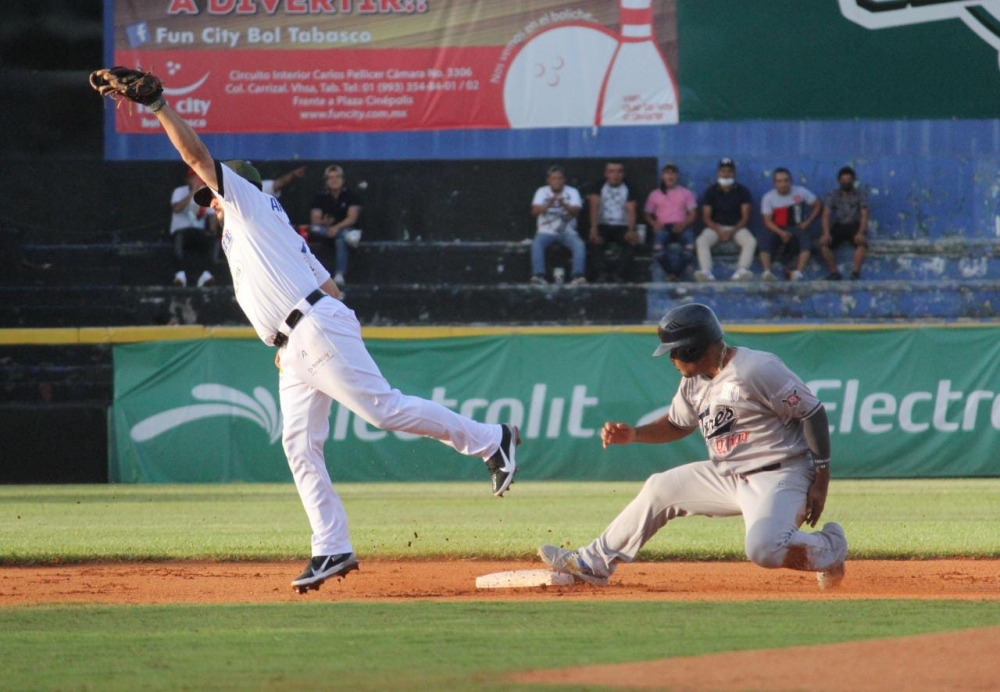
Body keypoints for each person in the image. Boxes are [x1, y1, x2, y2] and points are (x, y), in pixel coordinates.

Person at [91, 68, 520, 593]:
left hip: (311, 328)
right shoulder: (263, 229)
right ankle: (331, 546)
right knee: (298, 445)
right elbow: (332, 291)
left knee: (383, 409)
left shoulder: (247, 203)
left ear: (237, 187)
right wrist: (287, 338)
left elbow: (197, 159)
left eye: (213, 197)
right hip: (301, 337)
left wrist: (159, 106)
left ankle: (492, 440)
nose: (212, 206)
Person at [538, 303, 847, 590]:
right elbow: (677, 424)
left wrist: (821, 479)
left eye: (677, 352)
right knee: (660, 488)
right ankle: (591, 563)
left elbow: (811, 412)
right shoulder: (694, 380)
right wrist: (634, 434)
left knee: (763, 549)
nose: (672, 359)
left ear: (698, 347)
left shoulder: (756, 369)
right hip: (728, 475)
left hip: (781, 474)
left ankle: (829, 547)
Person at [696, 158, 756, 282]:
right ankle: (706, 272)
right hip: (715, 227)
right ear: (718, 173)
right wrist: (719, 230)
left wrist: (732, 232)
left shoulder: (742, 191)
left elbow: (745, 217)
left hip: (737, 227)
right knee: (701, 241)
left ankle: (742, 270)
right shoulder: (711, 192)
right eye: (723, 171)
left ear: (734, 173)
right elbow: (706, 217)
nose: (726, 174)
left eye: (729, 171)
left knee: (750, 241)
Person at [759, 168, 823, 281]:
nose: (783, 184)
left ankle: (798, 273)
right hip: (777, 228)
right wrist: (781, 233)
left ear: (791, 181)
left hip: (796, 227)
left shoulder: (801, 191)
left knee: (806, 241)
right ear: (774, 183)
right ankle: (767, 272)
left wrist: (808, 222)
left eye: (786, 180)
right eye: (779, 181)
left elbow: (818, 204)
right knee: (764, 240)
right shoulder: (768, 197)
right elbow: (767, 222)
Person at [530, 165, 586, 285]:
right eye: (553, 178)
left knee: (579, 245)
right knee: (537, 244)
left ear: (564, 180)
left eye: (559, 178)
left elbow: (576, 212)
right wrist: (548, 203)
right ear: (548, 180)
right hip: (546, 231)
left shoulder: (572, 191)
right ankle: (539, 276)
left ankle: (577, 276)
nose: (557, 181)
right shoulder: (541, 191)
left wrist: (563, 203)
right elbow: (534, 212)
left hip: (567, 232)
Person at [309, 164, 363, 287]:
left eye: (337, 177)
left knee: (340, 238)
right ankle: (347, 236)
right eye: (330, 177)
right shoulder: (320, 197)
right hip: (325, 231)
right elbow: (315, 219)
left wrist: (336, 228)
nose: (334, 180)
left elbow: (352, 218)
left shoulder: (352, 196)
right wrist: (325, 224)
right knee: (315, 229)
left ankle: (339, 274)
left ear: (343, 179)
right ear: (326, 181)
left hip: (343, 229)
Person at [644, 163, 698, 281]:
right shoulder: (655, 194)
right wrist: (654, 224)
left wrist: (683, 224)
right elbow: (647, 214)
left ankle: (674, 275)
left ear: (677, 176)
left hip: (682, 226)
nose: (670, 176)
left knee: (690, 248)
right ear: (662, 176)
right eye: (667, 173)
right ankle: (673, 274)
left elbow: (693, 214)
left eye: (673, 173)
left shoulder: (686, 193)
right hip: (663, 227)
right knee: (658, 249)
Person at [587, 162, 640, 283]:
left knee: (632, 242)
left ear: (623, 174)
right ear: (606, 174)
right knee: (594, 241)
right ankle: (601, 274)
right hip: (602, 225)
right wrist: (593, 228)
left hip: (622, 226)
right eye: (612, 171)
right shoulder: (599, 186)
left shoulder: (629, 187)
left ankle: (619, 275)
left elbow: (631, 209)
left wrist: (631, 230)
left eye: (619, 171)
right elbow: (594, 206)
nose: (615, 174)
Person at [169, 167, 219, 288]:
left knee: (213, 241)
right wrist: (192, 193)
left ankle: (206, 275)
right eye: (194, 177)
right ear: (188, 179)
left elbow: (212, 217)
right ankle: (180, 276)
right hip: (181, 230)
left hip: (199, 231)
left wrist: (213, 229)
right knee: (182, 241)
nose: (197, 179)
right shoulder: (179, 191)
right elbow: (177, 208)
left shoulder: (206, 195)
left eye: (199, 177)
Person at [819, 166, 870, 280]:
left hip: (854, 226)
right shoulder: (833, 195)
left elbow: (864, 215)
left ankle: (855, 273)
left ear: (854, 180)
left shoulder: (860, 195)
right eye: (843, 180)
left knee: (862, 244)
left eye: (849, 179)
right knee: (823, 245)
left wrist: (861, 232)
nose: (846, 182)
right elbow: (826, 215)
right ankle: (834, 273)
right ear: (839, 181)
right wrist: (826, 233)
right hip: (839, 225)